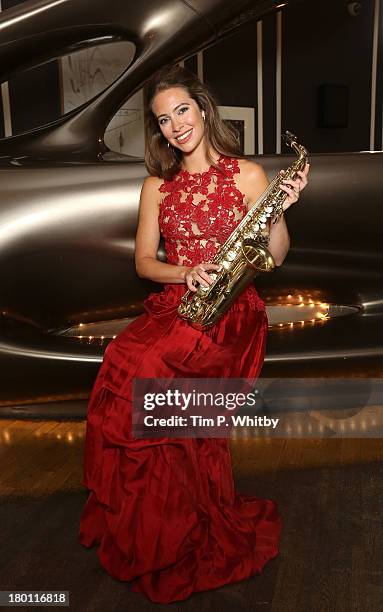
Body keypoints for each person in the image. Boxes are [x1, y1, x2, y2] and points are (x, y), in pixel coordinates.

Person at [79, 64, 309, 604]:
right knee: (120, 364)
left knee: (155, 378)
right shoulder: (156, 185)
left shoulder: (248, 176)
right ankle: (150, 526)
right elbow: (142, 263)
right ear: (158, 130)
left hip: (233, 313)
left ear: (203, 109)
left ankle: (181, 525)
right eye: (164, 119)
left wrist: (280, 210)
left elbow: (274, 257)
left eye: (182, 110)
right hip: (179, 303)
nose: (176, 125)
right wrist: (185, 273)